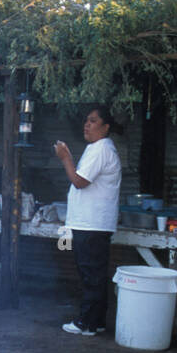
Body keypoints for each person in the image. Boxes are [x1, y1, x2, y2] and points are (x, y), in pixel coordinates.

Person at [53, 104, 124, 336]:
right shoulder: (99, 148)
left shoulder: (100, 149)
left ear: (105, 127)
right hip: (94, 223)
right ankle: (97, 320)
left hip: (92, 223)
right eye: (86, 120)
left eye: (93, 121)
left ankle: (86, 323)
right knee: (95, 274)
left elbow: (79, 181)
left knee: (91, 274)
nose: (87, 124)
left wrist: (65, 158)